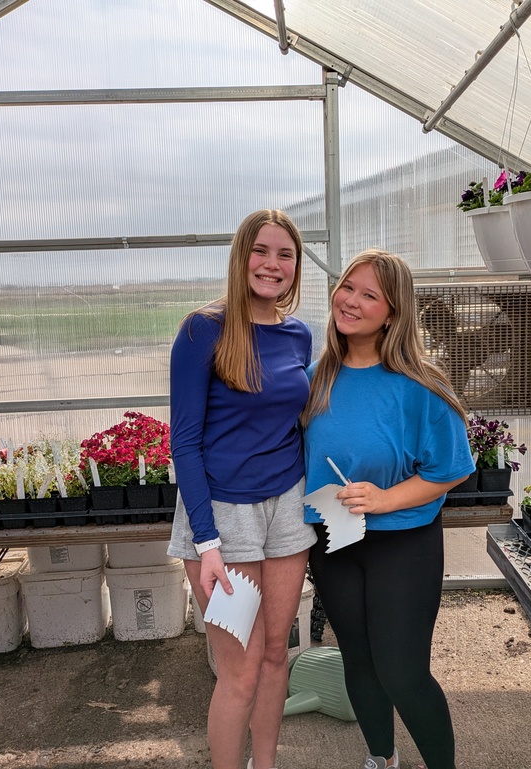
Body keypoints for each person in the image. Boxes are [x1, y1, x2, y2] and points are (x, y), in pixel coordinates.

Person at [301, 249, 474, 769]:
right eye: (347, 287)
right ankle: (382, 758)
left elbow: (452, 468)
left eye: (369, 294)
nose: (350, 300)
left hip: (405, 541)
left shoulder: (421, 384)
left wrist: (384, 499)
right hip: (334, 539)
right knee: (359, 659)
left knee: (402, 671)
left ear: (393, 312)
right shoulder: (316, 377)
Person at [168, 209, 317, 769]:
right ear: (241, 256)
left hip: (287, 508)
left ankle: (267, 764)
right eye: (261, 251)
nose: (272, 264)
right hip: (223, 516)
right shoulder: (202, 329)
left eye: (285, 254)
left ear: (296, 266)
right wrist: (206, 542)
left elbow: (299, 421)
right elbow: (184, 441)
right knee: (240, 668)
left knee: (278, 653)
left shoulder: (298, 333)